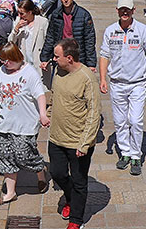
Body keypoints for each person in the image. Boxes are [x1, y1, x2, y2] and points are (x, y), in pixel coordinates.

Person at [98, 0, 146, 176]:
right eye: (122, 9)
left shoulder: (142, 30)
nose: (125, 12)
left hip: (137, 84)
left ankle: (136, 155)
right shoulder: (110, 31)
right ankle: (125, 153)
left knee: (135, 120)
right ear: (117, 11)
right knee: (120, 121)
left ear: (134, 10)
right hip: (117, 83)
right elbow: (104, 55)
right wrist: (102, 78)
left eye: (128, 9)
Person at [0, 43, 49, 206]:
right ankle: (10, 193)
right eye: (2, 60)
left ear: (17, 57)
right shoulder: (1, 71)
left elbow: (40, 95)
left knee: (24, 154)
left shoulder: (30, 73)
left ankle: (40, 170)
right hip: (2, 123)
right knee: (4, 156)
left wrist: (43, 114)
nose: (5, 63)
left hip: (24, 124)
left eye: (8, 60)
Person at [48, 39, 101, 229]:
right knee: (57, 173)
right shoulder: (58, 72)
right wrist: (48, 115)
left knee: (79, 181)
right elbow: (55, 97)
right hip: (56, 138)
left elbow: (94, 113)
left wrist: (84, 143)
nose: (54, 59)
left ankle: (76, 220)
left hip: (78, 142)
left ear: (69, 58)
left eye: (57, 56)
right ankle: (70, 197)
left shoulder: (87, 78)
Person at [40, 0, 97, 72]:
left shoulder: (84, 15)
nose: (66, 0)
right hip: (61, 58)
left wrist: (91, 63)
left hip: (78, 58)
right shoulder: (56, 14)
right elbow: (50, 37)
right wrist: (45, 58)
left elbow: (89, 40)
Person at [8, 0, 50, 84]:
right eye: (18, 13)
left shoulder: (42, 21)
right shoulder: (18, 21)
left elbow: (48, 41)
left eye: (22, 13)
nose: (19, 15)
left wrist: (46, 58)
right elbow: (10, 41)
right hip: (24, 60)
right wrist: (16, 29)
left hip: (38, 59)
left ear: (30, 12)